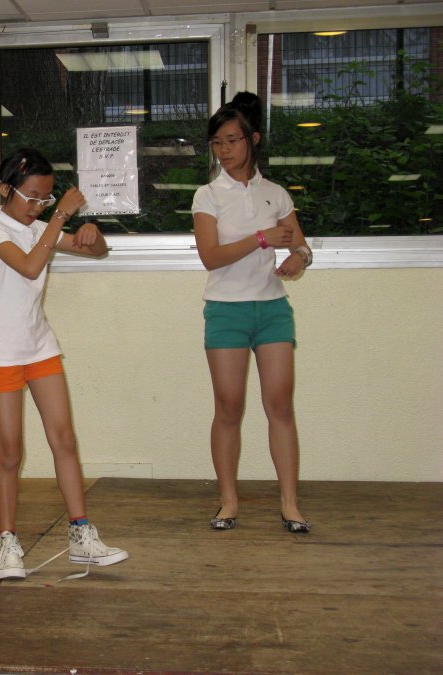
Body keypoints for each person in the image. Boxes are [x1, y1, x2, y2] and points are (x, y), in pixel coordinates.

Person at [0, 148, 129, 580]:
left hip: (40, 348)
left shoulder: (40, 226)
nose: (39, 206)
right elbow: (29, 265)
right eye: (33, 197)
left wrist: (92, 234)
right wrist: (60, 216)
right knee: (10, 451)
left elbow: (96, 251)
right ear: (6, 189)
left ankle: (81, 533)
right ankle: (8, 541)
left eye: (46, 198)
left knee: (64, 439)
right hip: (3, 354)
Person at [191, 92, 313, 534]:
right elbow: (211, 256)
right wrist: (261, 239)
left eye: (232, 140)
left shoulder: (275, 194)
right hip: (226, 311)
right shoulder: (208, 196)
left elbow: (300, 245)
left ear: (252, 139)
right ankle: (228, 502)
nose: (223, 150)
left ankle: (290, 505)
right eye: (216, 143)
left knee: (280, 405)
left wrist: (298, 258)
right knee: (229, 407)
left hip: (272, 309)